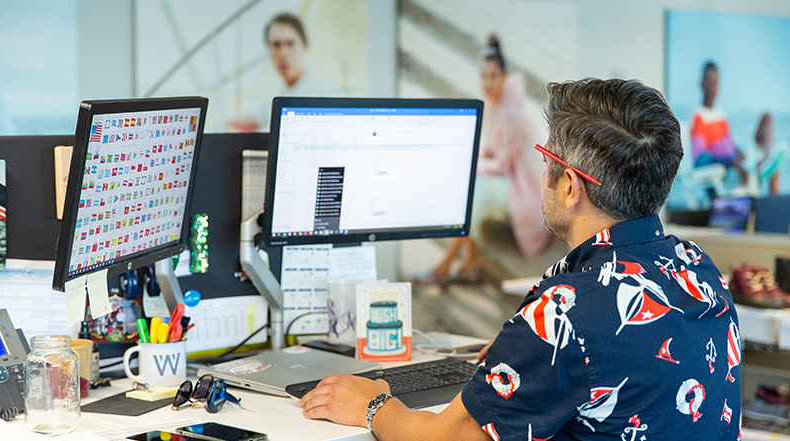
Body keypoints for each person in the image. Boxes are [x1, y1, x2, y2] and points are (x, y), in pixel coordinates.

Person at [297, 78, 742, 440]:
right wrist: (532, 353)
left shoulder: (569, 309)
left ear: (571, 186)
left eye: (545, 159)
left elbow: (444, 440)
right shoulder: (699, 270)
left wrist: (372, 405)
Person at [427, 36, 550, 284]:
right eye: (483, 76)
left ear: (504, 77)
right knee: (468, 187)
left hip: (525, 187)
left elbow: (504, 164)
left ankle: (446, 265)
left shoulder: (510, 113)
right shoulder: (492, 105)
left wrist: (472, 168)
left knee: (474, 193)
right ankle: (469, 264)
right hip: (508, 177)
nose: (487, 82)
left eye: (493, 76)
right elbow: (486, 149)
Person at [230, 12, 332, 132]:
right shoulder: (280, 97)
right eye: (276, 45)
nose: (283, 53)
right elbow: (236, 122)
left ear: (304, 47)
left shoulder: (318, 92)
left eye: (290, 43)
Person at [690, 61, 748, 187]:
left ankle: (764, 161)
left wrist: (738, 152)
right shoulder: (699, 116)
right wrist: (729, 162)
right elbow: (700, 159)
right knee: (743, 173)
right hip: (718, 170)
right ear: (702, 84)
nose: (712, 88)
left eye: (715, 83)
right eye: (709, 82)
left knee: (767, 119)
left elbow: (729, 144)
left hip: (729, 164)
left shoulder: (722, 113)